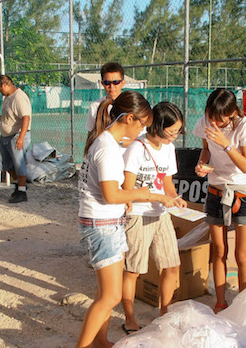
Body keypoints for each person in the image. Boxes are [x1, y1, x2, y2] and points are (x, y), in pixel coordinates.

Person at [76, 91, 169, 348]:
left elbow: (110, 192)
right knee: (110, 296)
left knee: (106, 292)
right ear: (129, 118)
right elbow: (110, 194)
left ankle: (100, 340)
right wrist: (141, 193)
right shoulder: (107, 148)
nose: (143, 131)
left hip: (108, 223)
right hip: (102, 226)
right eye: (142, 125)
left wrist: (126, 197)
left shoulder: (107, 143)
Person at [192, 88, 246, 313]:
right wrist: (202, 164)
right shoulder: (206, 121)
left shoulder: (245, 126)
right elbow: (206, 150)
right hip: (216, 189)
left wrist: (226, 143)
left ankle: (244, 305)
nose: (214, 123)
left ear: (232, 112)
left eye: (220, 120)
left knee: (241, 253)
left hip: (242, 193)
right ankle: (220, 302)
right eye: (211, 117)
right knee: (218, 250)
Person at [120, 102, 186, 334]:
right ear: (157, 126)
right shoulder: (136, 149)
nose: (175, 136)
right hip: (138, 215)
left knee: (172, 265)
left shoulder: (168, 147)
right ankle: (129, 318)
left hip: (160, 213)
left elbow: (166, 180)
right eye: (171, 132)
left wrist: (175, 197)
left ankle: (164, 313)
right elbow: (127, 191)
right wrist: (160, 197)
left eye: (178, 131)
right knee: (133, 270)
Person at [0, 75, 32, 203]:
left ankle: (22, 191)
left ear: (4, 85)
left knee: (19, 164)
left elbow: (26, 117)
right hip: (6, 136)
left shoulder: (18, 97)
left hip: (16, 136)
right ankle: (19, 186)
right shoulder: (8, 98)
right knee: (5, 164)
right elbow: (6, 115)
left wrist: (21, 137)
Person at [86, 62, 135, 146]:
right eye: (107, 83)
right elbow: (90, 136)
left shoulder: (133, 106)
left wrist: (116, 143)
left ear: (123, 83)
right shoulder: (95, 106)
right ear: (102, 84)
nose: (111, 86)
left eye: (116, 82)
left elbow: (140, 139)